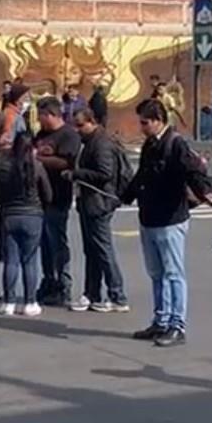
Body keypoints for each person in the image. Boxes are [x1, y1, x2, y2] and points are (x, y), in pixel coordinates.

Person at [121, 98, 212, 347]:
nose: (142, 127)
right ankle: (160, 321)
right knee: (156, 274)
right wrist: (126, 196)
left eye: (145, 122)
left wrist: (207, 192)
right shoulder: (150, 144)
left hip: (170, 219)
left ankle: (177, 325)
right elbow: (142, 175)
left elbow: (193, 171)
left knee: (174, 274)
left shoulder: (176, 144)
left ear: (158, 120)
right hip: (149, 217)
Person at [67, 107, 129, 313]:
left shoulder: (101, 142)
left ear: (91, 122)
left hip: (99, 202)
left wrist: (76, 174)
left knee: (103, 249)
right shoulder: (90, 141)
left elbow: (104, 173)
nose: (77, 130)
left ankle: (117, 295)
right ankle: (92, 293)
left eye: (80, 125)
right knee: (92, 250)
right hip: (90, 201)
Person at [0, 131, 53, 317]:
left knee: (11, 260)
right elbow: (48, 194)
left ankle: (8, 302)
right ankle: (30, 302)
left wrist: (5, 204)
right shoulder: (36, 166)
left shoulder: (1, 165)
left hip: (9, 214)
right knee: (30, 261)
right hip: (32, 215)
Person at [33, 96, 83, 307]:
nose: (39, 121)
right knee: (44, 242)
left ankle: (63, 284)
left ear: (52, 114)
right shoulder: (41, 134)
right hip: (39, 197)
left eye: (42, 116)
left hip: (58, 195)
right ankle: (49, 281)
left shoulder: (68, 135)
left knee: (57, 241)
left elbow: (68, 163)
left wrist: (39, 159)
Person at [0, 83, 30, 151]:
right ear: (18, 99)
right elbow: (7, 139)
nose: (27, 100)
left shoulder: (13, 113)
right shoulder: (11, 115)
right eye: (25, 97)